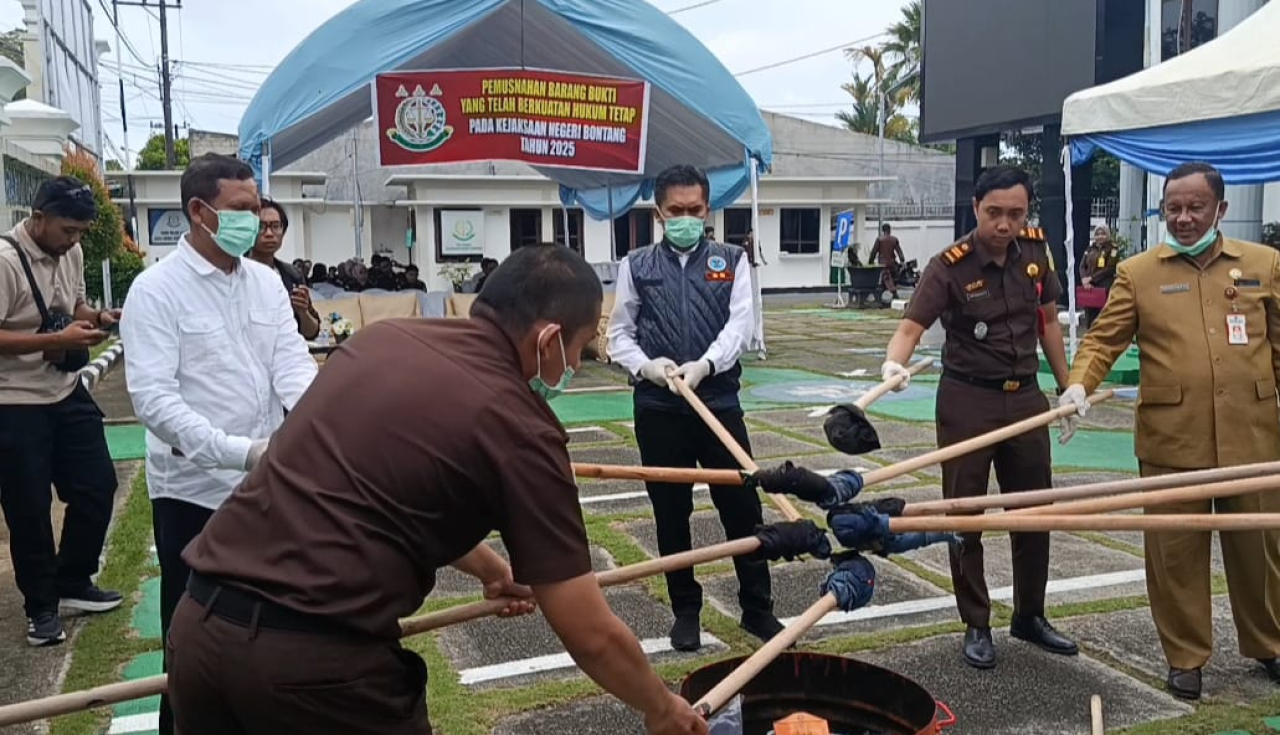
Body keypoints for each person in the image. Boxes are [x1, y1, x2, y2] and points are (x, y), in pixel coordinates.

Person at [166, 244, 708, 735]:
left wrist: (494, 570)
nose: (576, 364)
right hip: (314, 668)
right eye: (583, 345)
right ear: (548, 339)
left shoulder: (378, 343)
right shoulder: (521, 427)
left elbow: (392, 492)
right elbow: (587, 628)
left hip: (197, 633)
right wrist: (661, 706)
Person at [1059, 161, 1280, 700]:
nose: (1182, 218)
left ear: (1220, 210)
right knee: (1174, 551)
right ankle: (1186, 657)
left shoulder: (1263, 264)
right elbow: (1102, 341)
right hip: (1171, 436)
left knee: (1263, 547)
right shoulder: (1139, 272)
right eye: (1172, 208)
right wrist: (1078, 386)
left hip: (1253, 433)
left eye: (1194, 207)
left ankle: (1269, 644)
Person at [120, 153, 319, 735]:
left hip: (270, 481)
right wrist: (241, 451)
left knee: (269, 621)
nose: (255, 222)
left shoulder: (264, 282)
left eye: (257, 209)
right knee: (190, 633)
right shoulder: (156, 291)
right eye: (241, 210)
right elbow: (155, 401)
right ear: (199, 212)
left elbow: (292, 365)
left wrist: (317, 428)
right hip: (195, 493)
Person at [880, 165, 1076, 669]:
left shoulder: (1034, 251)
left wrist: (1067, 385)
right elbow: (911, 327)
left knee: (1034, 511)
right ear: (975, 208)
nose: (1005, 225)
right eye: (994, 213)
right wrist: (893, 365)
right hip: (969, 400)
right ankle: (976, 621)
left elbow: (1048, 322)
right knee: (964, 517)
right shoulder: (950, 265)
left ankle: (1030, 614)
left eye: (1015, 213)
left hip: (1026, 398)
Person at [607, 164, 781, 651]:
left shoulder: (732, 260)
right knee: (670, 512)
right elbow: (619, 335)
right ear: (659, 213)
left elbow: (741, 324)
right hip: (660, 407)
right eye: (676, 211)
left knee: (743, 506)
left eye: (695, 210)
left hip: (718, 400)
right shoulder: (636, 266)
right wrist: (648, 367)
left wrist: (706, 364)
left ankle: (757, 609)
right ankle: (685, 610)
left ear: (708, 210)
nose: (686, 218)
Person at [0, 176, 123, 647]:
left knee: (97, 485)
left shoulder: (69, 252)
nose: (75, 240)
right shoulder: (7, 262)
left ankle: (72, 581)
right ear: (39, 217)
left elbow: (69, 303)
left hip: (64, 389)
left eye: (81, 232)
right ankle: (41, 608)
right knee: (29, 508)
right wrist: (55, 340)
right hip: (14, 400)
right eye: (68, 230)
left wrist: (94, 317)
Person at [249, 197, 320, 340]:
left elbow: (311, 333)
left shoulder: (292, 275)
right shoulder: (233, 270)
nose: (269, 234)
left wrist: (303, 312)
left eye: (275, 226)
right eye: (261, 227)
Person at [1078, 225, 1121, 327]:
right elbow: (1082, 266)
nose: (1100, 236)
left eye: (1103, 234)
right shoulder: (1090, 248)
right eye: (1097, 234)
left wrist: (1092, 279)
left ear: (1108, 235)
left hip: (1104, 287)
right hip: (1089, 287)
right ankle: (1090, 339)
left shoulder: (1112, 249)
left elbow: (1109, 269)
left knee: (1103, 317)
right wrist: (1084, 279)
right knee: (1090, 318)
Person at [869, 223, 906, 300]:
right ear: (890, 230)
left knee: (886, 279)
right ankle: (880, 296)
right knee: (887, 279)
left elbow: (874, 252)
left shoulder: (879, 239)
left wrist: (870, 262)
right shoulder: (894, 239)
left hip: (882, 264)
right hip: (892, 264)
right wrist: (902, 260)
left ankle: (893, 293)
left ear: (883, 230)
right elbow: (899, 252)